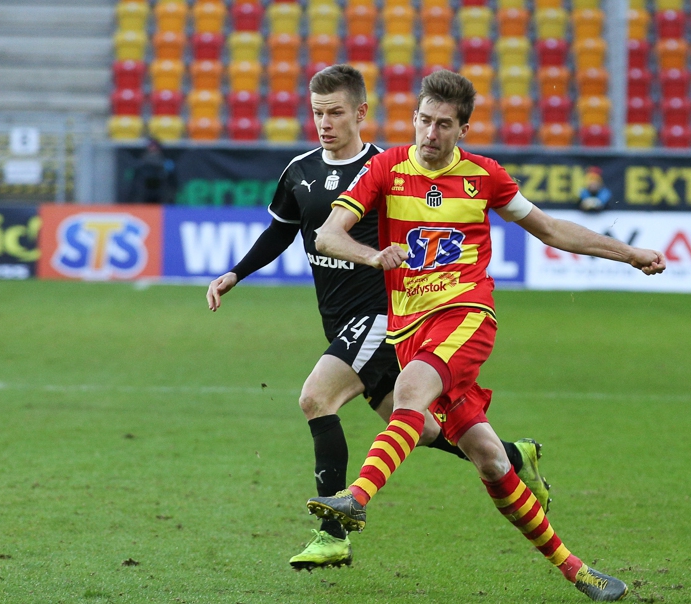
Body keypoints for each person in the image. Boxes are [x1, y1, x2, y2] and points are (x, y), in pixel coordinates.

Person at [306, 70, 666, 601]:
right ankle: (580, 572)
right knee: (492, 461)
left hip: (466, 314)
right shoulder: (385, 168)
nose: (430, 133)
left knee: (408, 393)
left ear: (463, 130)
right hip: (410, 330)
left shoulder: (484, 177)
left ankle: (355, 498)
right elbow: (327, 236)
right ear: (413, 119)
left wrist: (629, 253)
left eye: (443, 125)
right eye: (423, 121)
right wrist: (373, 255)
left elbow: (551, 229)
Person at [206, 65, 549, 571]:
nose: (325, 123)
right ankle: (512, 457)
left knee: (316, 398)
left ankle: (332, 533)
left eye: (335, 113)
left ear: (360, 113)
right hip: (339, 318)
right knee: (414, 425)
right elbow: (283, 231)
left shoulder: (387, 168)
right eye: (317, 113)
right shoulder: (299, 171)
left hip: (384, 317)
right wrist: (236, 273)